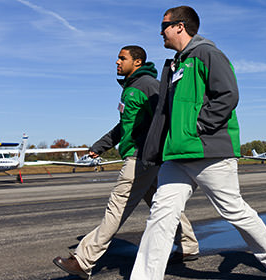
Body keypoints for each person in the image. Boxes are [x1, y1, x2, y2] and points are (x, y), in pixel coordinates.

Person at [130, 6, 266, 280]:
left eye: (164, 25)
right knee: (161, 216)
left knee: (233, 210)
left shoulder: (208, 54)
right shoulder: (174, 65)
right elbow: (166, 114)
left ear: (180, 26)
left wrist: (198, 127)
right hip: (177, 155)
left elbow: (228, 95)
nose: (160, 31)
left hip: (208, 150)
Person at [53, 46, 200, 279]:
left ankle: (84, 259)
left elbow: (166, 117)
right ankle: (188, 245)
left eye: (123, 58)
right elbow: (124, 127)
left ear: (138, 62)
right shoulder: (131, 88)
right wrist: (99, 147)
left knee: (117, 207)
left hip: (141, 158)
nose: (117, 62)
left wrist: (157, 149)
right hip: (144, 157)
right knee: (160, 204)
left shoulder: (148, 86)